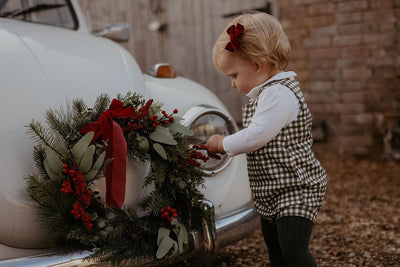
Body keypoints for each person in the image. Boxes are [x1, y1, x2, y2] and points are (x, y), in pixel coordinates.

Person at [206, 12, 327, 267]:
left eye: (234, 75)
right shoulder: (265, 95)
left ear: (258, 64)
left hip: (295, 188)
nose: (232, 84)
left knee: (294, 252)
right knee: (277, 252)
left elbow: (255, 137)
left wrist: (222, 144)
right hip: (271, 191)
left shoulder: (278, 94)